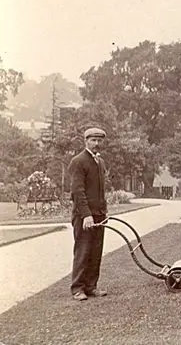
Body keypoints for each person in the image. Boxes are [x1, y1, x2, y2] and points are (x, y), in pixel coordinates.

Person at [68, 127, 109, 301]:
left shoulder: (100, 163)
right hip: (84, 216)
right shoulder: (78, 162)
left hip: (99, 214)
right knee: (83, 251)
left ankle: (91, 286)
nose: (97, 144)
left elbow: (100, 191)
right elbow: (78, 192)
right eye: (93, 140)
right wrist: (86, 215)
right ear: (86, 141)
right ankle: (78, 288)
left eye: (99, 141)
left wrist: (104, 211)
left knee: (96, 251)